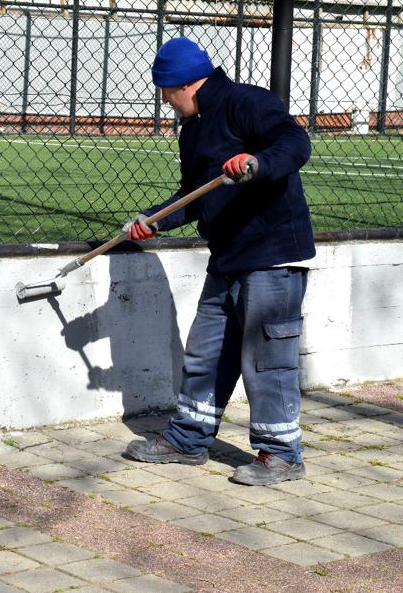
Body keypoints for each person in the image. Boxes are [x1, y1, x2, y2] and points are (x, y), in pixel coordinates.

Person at [122, 37, 315, 486]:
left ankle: (282, 455)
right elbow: (193, 195)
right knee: (206, 352)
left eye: (166, 92)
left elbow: (294, 142)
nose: (166, 102)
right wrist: (155, 220)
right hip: (227, 257)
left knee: (267, 359)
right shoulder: (193, 129)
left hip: (271, 257)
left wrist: (257, 163)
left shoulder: (247, 102)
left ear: (183, 83)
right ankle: (187, 440)